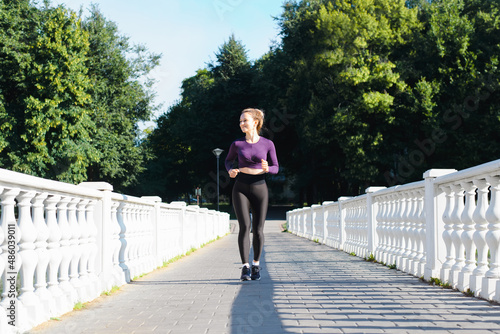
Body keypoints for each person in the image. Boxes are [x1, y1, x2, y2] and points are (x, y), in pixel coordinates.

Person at [225, 108, 279, 281]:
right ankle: (245, 267)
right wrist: (230, 171)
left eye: (244, 121)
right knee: (244, 227)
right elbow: (227, 160)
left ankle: (256, 264)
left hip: (260, 188)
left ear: (255, 122)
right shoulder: (237, 144)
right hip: (240, 187)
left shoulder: (268, 144)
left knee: (258, 230)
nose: (241, 124)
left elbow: (276, 167)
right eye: (240, 121)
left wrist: (267, 168)